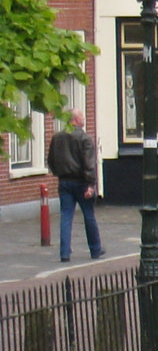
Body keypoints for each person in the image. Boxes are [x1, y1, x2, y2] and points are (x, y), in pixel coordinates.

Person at [45, 109, 105, 263]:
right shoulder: (84, 139)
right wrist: (91, 185)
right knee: (88, 215)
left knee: (65, 216)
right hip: (82, 182)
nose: (84, 118)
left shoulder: (57, 137)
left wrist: (59, 173)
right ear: (77, 120)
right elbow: (89, 164)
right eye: (82, 116)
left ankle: (64, 253)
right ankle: (95, 249)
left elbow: (50, 160)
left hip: (64, 182)